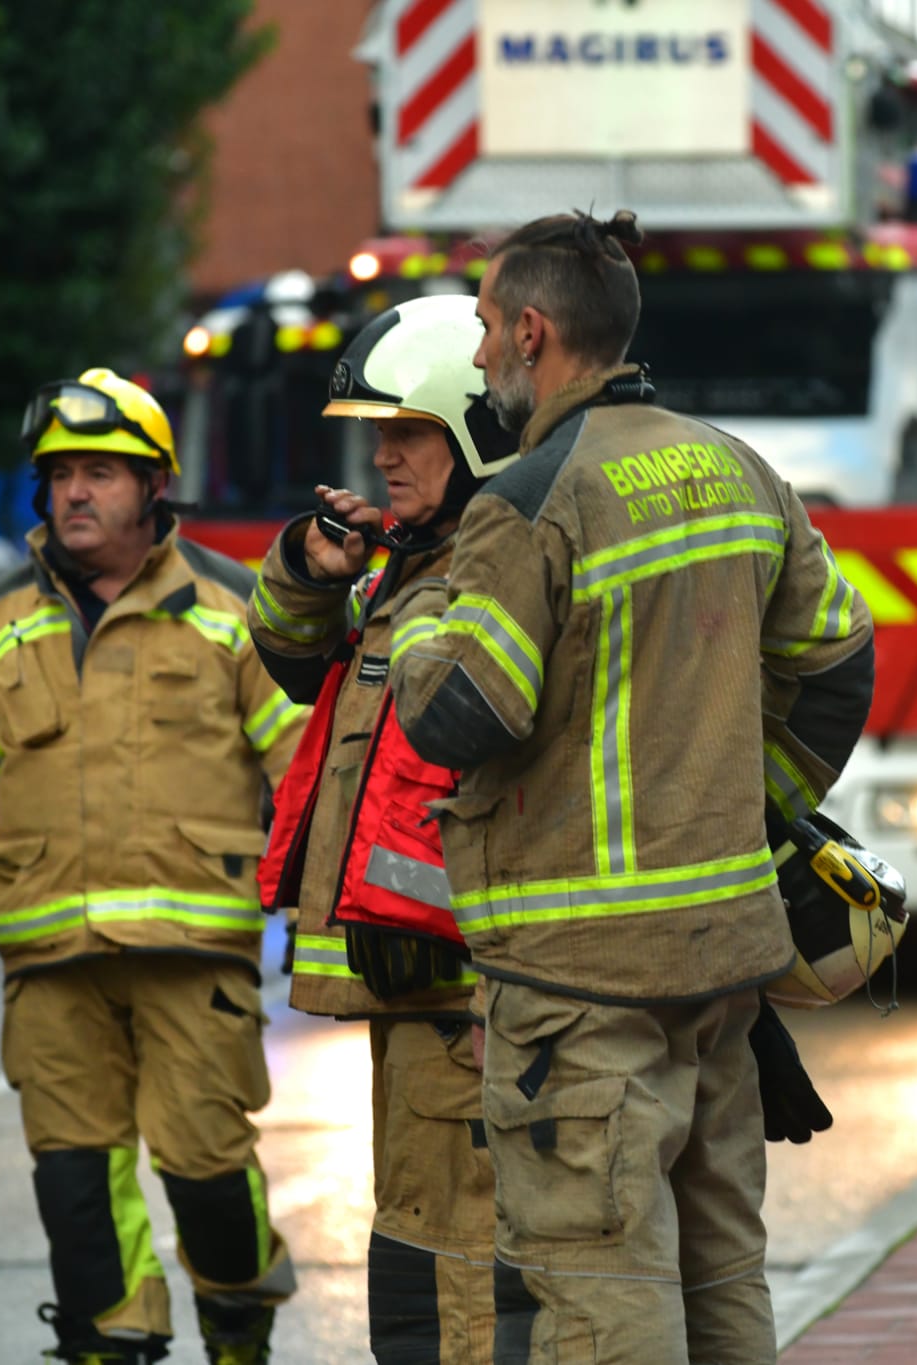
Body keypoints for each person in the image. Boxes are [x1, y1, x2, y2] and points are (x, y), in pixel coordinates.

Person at [386, 210, 874, 1364]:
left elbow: (470, 709)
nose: (485, 357)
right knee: (718, 1284)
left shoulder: (526, 501)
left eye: (489, 331)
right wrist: (747, 806)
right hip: (720, 960)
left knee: (599, 1297)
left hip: (577, 985)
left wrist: (416, 632)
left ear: (535, 331)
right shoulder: (733, 464)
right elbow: (838, 666)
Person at [0, 369, 307, 1365]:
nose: (76, 492)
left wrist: (334, 918)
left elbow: (304, 774)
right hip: (49, 958)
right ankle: (110, 1340)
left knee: (208, 1173)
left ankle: (237, 1318)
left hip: (194, 956)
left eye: (103, 474)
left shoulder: (232, 608)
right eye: (61, 474)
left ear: (155, 486)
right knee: (74, 1184)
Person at [246, 294, 518, 1361]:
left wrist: (505, 989)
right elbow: (295, 665)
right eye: (377, 436)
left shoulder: (497, 577)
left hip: (468, 995)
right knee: (413, 1244)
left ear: (473, 434)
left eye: (406, 433)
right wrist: (314, 571)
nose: (383, 459)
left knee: (452, 1264)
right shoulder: (414, 566)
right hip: (415, 995)